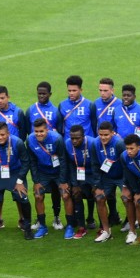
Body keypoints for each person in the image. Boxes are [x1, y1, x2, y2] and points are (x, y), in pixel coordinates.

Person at [0, 121, 33, 240]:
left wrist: (20, 181)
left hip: (14, 172)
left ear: (8, 133)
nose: (0, 137)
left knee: (23, 197)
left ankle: (28, 229)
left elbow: (26, 162)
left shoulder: (17, 142)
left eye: (2, 135)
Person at [0, 86, 28, 231]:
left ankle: (22, 218)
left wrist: (14, 148)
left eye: (2, 98)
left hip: (14, 157)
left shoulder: (17, 112)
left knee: (18, 193)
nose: (0, 101)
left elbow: (23, 133)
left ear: (8, 97)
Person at [59, 75, 98, 228]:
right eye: (69, 90)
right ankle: (76, 217)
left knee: (89, 187)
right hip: (71, 150)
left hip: (86, 149)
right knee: (74, 187)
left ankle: (90, 217)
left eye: (74, 90)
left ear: (81, 89)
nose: (71, 93)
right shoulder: (62, 105)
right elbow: (60, 126)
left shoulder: (89, 105)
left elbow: (94, 125)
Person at [25, 82, 63, 229]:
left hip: (53, 155)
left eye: (44, 93)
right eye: (39, 93)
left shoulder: (55, 111)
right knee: (38, 193)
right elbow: (26, 130)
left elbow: (60, 130)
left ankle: (57, 217)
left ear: (50, 94)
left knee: (56, 191)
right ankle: (40, 220)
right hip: (39, 154)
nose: (41, 96)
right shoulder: (30, 110)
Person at [26, 118, 67, 239]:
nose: (39, 134)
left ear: (47, 130)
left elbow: (63, 160)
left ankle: (65, 223)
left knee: (66, 195)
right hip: (43, 172)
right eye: (36, 131)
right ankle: (42, 225)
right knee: (38, 195)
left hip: (58, 171)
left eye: (41, 131)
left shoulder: (57, 139)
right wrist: (36, 181)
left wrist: (63, 181)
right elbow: (32, 161)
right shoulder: (30, 140)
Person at [91, 121, 126, 242]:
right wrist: (98, 185)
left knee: (126, 198)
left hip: (121, 176)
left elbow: (126, 165)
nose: (103, 137)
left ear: (112, 133)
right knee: (99, 198)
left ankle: (132, 229)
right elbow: (95, 165)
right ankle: (106, 231)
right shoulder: (95, 144)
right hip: (107, 177)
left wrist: (126, 185)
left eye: (106, 135)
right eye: (101, 134)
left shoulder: (119, 143)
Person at [64, 124, 98, 239]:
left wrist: (96, 184)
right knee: (76, 194)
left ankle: (96, 221)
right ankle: (82, 227)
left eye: (77, 138)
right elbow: (70, 165)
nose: (74, 141)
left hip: (93, 173)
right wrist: (75, 184)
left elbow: (97, 164)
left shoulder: (93, 143)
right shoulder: (67, 144)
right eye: (72, 138)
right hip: (79, 174)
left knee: (95, 195)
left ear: (83, 136)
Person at [119, 133, 140, 245]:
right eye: (127, 148)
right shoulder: (123, 156)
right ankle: (132, 231)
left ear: (139, 147)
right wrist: (133, 191)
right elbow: (127, 174)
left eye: (132, 148)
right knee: (126, 199)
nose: (129, 151)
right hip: (133, 181)